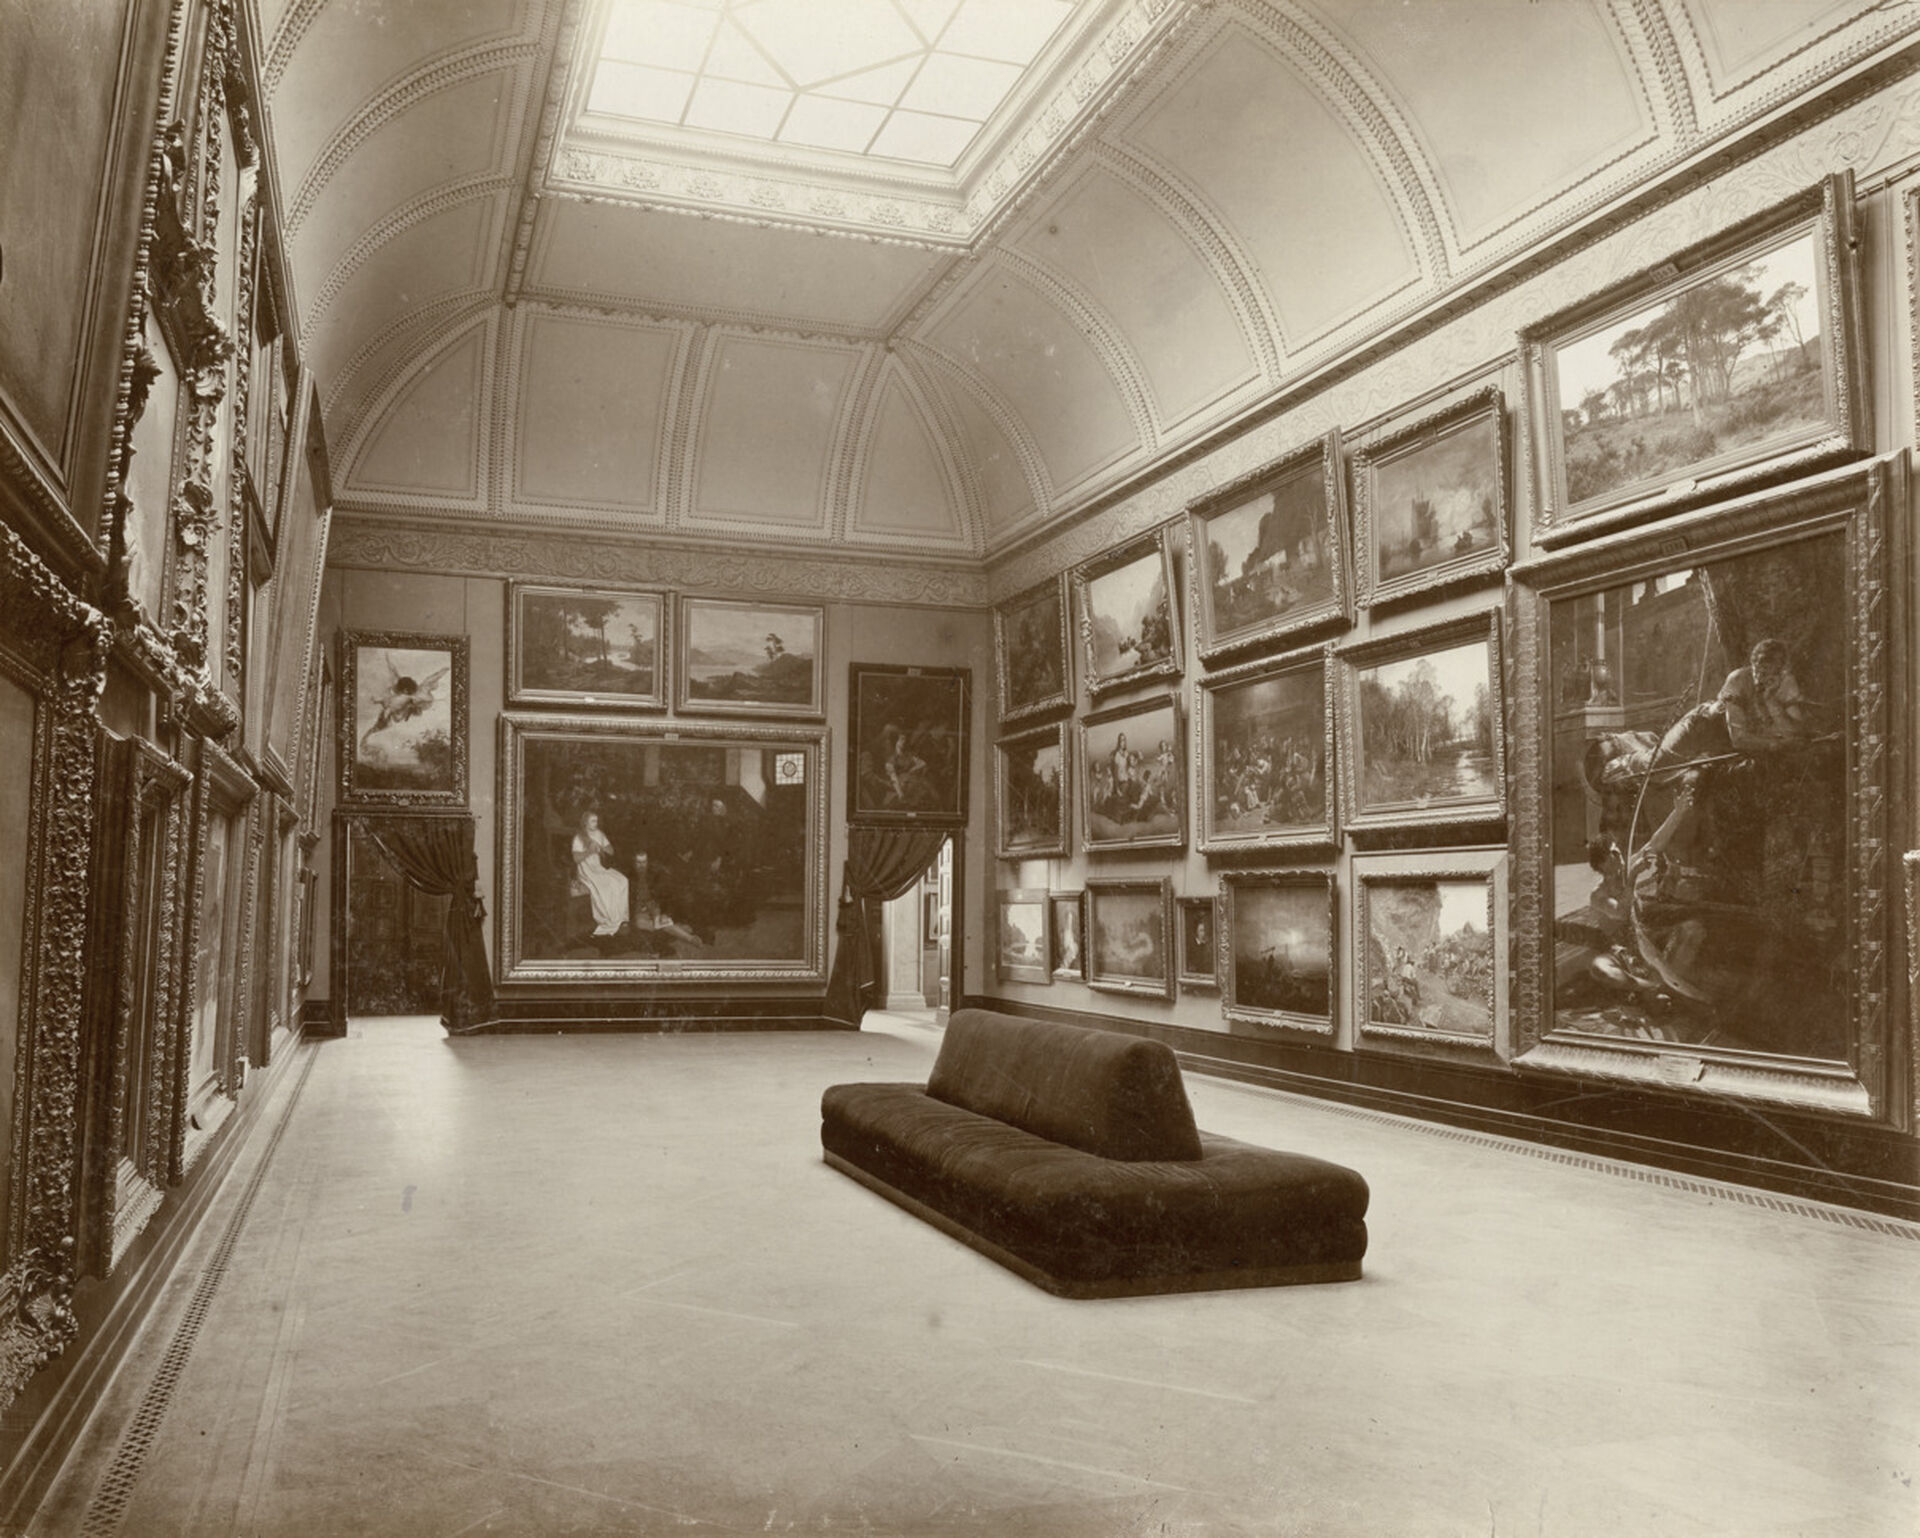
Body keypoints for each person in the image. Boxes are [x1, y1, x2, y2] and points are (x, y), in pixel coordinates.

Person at [570, 812, 629, 937]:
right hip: (586, 870)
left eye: (596, 821)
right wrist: (589, 851)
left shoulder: (600, 834)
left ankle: (622, 918)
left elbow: (611, 851)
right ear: (585, 822)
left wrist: (602, 847)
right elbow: (576, 859)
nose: (595, 823)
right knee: (605, 886)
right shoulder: (579, 837)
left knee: (622, 880)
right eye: (592, 821)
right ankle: (609, 921)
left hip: (599, 868)